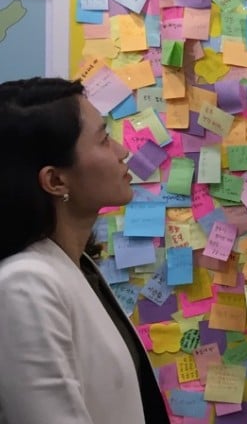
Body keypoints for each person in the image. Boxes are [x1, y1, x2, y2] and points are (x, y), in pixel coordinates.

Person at [0, 77, 170, 424]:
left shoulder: (78, 266)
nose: (123, 150)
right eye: (104, 139)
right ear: (55, 181)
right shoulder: (25, 285)